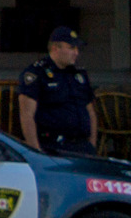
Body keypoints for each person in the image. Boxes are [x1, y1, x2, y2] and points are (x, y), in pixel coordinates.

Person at [18, 26, 98, 156]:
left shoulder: (79, 75)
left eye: (77, 48)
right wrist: (36, 153)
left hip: (82, 147)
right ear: (56, 48)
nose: (76, 53)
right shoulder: (37, 73)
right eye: (72, 48)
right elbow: (26, 115)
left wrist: (92, 145)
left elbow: (90, 112)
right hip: (53, 147)